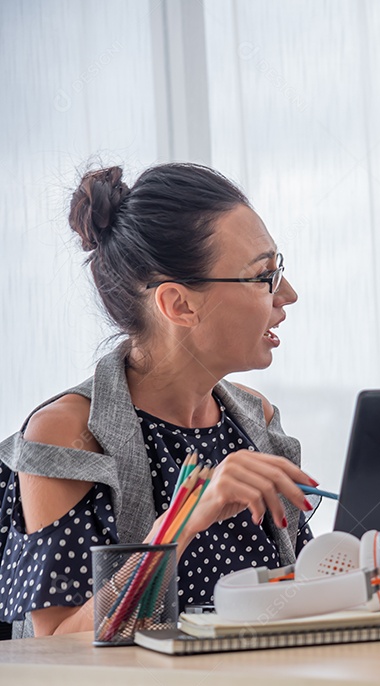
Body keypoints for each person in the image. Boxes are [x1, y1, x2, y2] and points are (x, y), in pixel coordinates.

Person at [0, 163, 314, 638]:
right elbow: (58, 643)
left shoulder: (257, 417)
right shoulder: (65, 434)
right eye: (262, 276)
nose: (287, 294)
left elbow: (292, 595)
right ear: (179, 305)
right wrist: (180, 524)